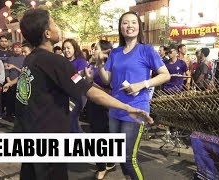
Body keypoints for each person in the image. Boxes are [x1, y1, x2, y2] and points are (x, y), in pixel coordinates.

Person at [16, 8, 153, 180]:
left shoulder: (31, 59)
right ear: (47, 33)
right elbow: (90, 92)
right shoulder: (55, 61)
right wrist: (127, 107)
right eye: (54, 23)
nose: (58, 27)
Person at [97, 11, 170, 180]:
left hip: (136, 110)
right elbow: (108, 80)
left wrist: (142, 84)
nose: (129, 26)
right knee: (119, 155)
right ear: (120, 28)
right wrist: (100, 65)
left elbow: (165, 75)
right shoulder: (115, 53)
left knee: (129, 158)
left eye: (133, 22)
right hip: (115, 109)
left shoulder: (146, 50)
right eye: (125, 23)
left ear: (139, 27)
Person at [85, 40, 116, 179]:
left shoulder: (110, 66)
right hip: (92, 104)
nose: (93, 50)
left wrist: (91, 82)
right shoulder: (91, 64)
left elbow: (109, 91)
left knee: (103, 136)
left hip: (105, 106)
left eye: (96, 48)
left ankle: (102, 167)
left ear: (105, 51)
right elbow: (80, 79)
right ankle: (106, 163)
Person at [62, 38, 88, 133]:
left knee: (72, 119)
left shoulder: (81, 61)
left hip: (78, 96)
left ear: (74, 48)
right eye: (64, 49)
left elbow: (79, 78)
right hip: (65, 95)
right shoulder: (62, 62)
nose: (66, 51)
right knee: (69, 121)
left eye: (68, 48)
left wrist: (68, 80)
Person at [3, 42, 25, 120]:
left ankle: (18, 116)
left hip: (21, 82)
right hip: (10, 82)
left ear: (21, 48)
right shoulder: (9, 58)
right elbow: (7, 72)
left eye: (19, 47)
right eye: (15, 47)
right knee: (10, 100)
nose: (17, 49)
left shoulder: (25, 58)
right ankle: (9, 115)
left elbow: (24, 71)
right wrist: (9, 82)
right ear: (12, 49)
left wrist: (14, 67)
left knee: (19, 101)